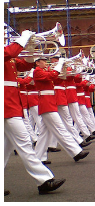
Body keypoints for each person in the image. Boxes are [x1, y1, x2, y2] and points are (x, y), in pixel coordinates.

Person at [4, 31, 66, 195]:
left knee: (5, 148)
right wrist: (23, 38)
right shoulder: (6, 52)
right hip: (6, 105)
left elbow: (24, 64)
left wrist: (30, 49)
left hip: (10, 104)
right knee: (25, 142)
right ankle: (44, 180)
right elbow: (10, 52)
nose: (4, 36)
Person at [32, 56, 90, 163]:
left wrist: (63, 67)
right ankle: (76, 152)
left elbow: (60, 77)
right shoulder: (37, 72)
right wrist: (60, 64)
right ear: (37, 63)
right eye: (43, 60)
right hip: (46, 103)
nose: (46, 62)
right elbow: (52, 75)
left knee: (44, 133)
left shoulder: (43, 70)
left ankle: (39, 158)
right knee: (60, 128)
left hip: (49, 102)